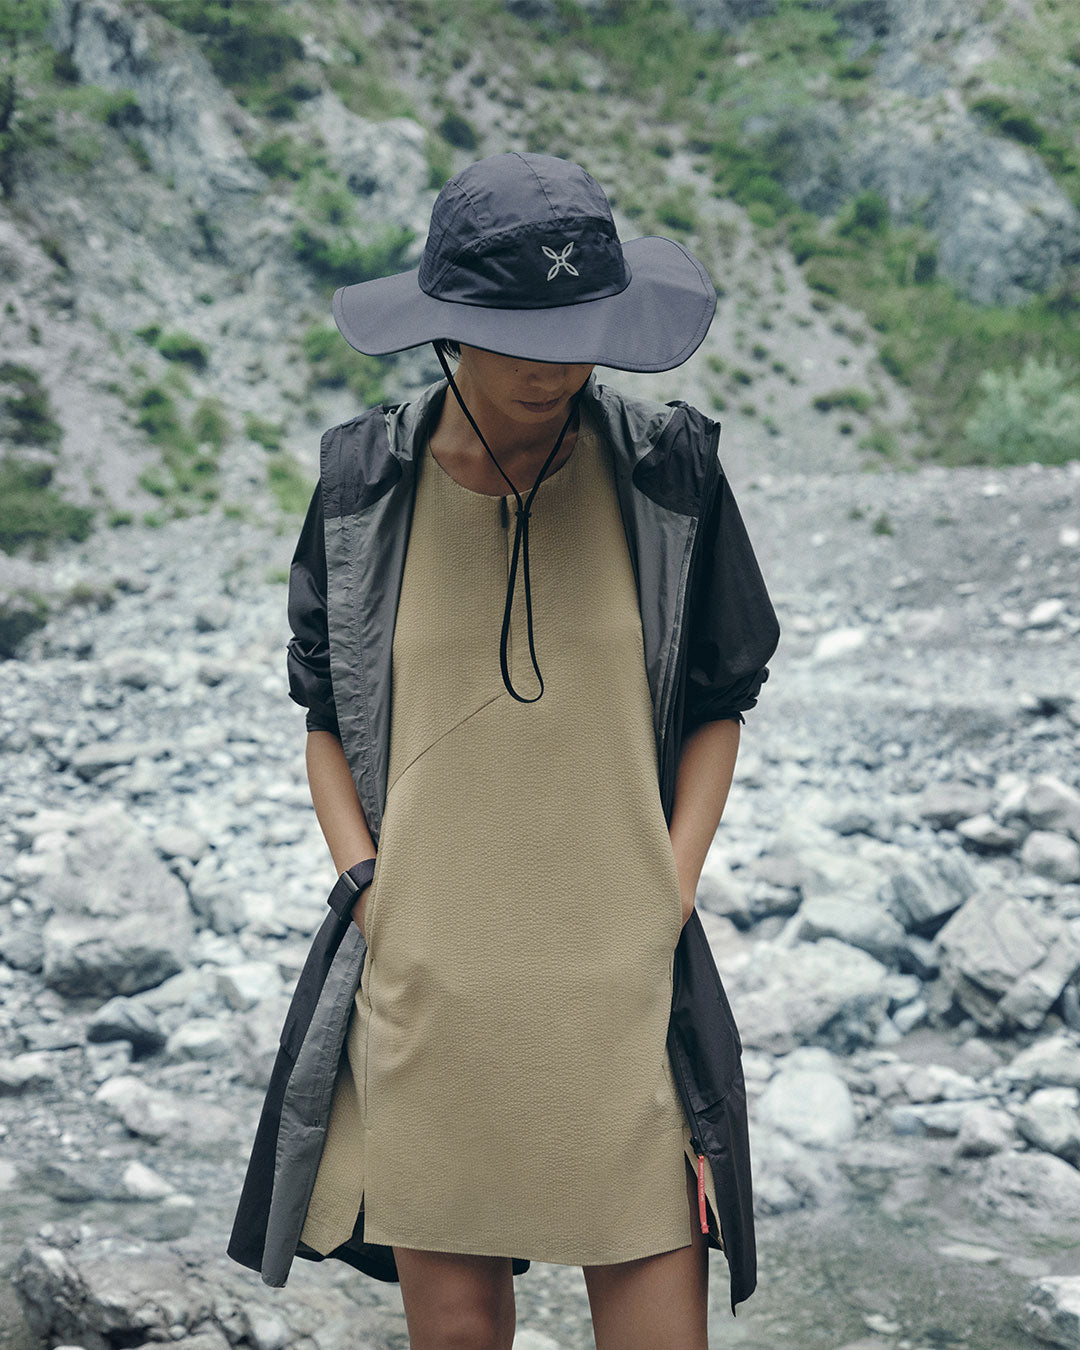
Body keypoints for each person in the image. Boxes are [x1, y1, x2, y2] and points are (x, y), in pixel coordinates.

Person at [227, 151, 781, 1350]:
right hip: (432, 982)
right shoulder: (363, 484)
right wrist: (371, 890)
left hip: (622, 981)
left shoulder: (668, 470)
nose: (556, 365)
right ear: (446, 329)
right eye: (521, 335)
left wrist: (668, 892)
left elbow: (724, 696)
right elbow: (323, 715)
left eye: (579, 332)